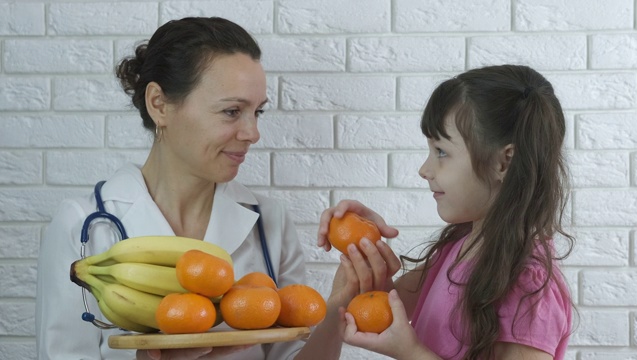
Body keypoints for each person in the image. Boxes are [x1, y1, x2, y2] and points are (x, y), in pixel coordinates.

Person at [35, 16, 395, 360]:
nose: (252, 133)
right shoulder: (83, 225)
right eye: (231, 111)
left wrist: (339, 302)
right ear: (159, 104)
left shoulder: (269, 222)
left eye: (258, 112)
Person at [317, 65, 575, 359]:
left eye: (441, 152)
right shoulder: (456, 250)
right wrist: (363, 241)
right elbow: (374, 311)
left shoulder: (529, 285)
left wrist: (411, 353)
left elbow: (399, 337)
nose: (425, 170)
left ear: (503, 163)